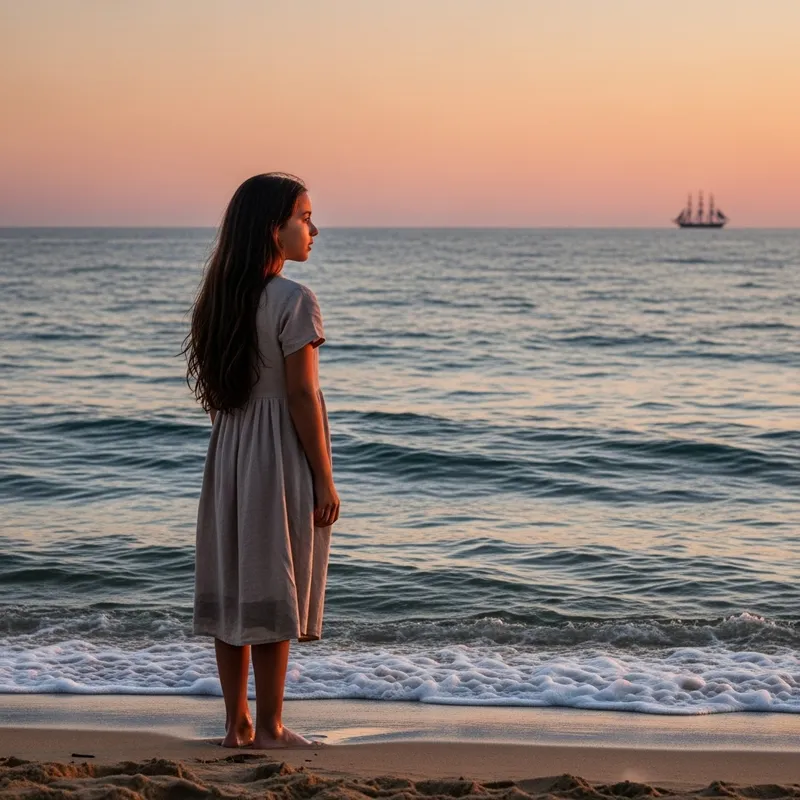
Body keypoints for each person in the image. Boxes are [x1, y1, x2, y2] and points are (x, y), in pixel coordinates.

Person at [183, 173, 339, 748]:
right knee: (275, 584)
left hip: (229, 453)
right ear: (274, 229)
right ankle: (271, 725)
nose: (313, 229)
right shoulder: (295, 301)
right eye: (303, 217)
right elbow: (301, 397)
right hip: (277, 455)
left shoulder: (219, 301)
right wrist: (323, 477)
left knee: (235, 584)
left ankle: (236, 724)